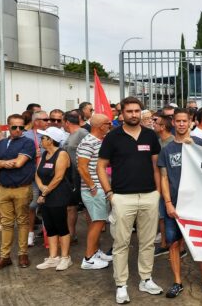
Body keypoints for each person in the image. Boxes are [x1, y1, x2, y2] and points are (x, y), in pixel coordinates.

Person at [97, 97, 164, 304]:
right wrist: (109, 193)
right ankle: (121, 284)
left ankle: (146, 279)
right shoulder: (113, 137)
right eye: (129, 111)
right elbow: (101, 166)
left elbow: (156, 167)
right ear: (122, 114)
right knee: (121, 243)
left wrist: (158, 194)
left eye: (137, 111)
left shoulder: (150, 136)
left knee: (147, 242)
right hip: (122, 197)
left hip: (149, 196)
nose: (134, 114)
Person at [158, 109, 202, 298]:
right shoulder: (167, 150)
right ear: (173, 123)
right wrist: (168, 203)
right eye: (178, 121)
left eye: (185, 121)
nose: (182, 124)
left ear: (191, 122)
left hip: (197, 204)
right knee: (174, 243)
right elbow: (164, 177)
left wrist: (195, 149)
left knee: (200, 243)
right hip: (175, 204)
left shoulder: (200, 143)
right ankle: (177, 282)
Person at [0, 114, 36, 271]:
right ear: (7, 126)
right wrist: (3, 163)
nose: (17, 130)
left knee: (22, 222)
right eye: (14, 127)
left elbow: (19, 163)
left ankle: (23, 254)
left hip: (22, 188)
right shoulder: (1, 143)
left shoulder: (28, 143)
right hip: (3, 188)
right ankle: (5, 256)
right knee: (6, 223)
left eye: (21, 127)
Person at [34, 127, 74, 271]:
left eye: (43, 138)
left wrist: (44, 192)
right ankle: (53, 257)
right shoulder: (45, 154)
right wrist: (42, 188)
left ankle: (65, 257)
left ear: (50, 140)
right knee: (49, 226)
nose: (41, 140)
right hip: (46, 195)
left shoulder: (62, 154)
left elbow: (58, 177)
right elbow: (37, 174)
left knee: (61, 226)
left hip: (58, 195)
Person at [77, 114, 113, 270]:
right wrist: (92, 186)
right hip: (94, 189)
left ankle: (95, 252)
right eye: (108, 123)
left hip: (98, 188)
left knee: (95, 221)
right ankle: (89, 258)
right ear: (100, 126)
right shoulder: (88, 142)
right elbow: (81, 167)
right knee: (98, 222)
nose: (110, 126)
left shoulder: (98, 141)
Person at [61, 110, 88, 245]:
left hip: (81, 175)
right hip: (70, 175)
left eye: (62, 122)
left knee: (86, 206)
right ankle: (71, 234)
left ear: (67, 122)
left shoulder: (82, 133)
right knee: (70, 206)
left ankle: (93, 235)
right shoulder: (70, 136)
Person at [24, 110, 49, 247]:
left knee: (48, 206)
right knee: (32, 205)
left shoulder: (50, 135)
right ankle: (30, 234)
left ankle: (48, 234)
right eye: (45, 120)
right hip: (33, 176)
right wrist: (33, 154)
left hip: (48, 176)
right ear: (36, 121)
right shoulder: (26, 136)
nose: (48, 122)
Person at [153, 114, 175, 257]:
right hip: (159, 184)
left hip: (170, 186)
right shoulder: (158, 142)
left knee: (172, 217)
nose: (153, 124)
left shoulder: (172, 143)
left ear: (163, 127)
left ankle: (177, 247)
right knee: (161, 216)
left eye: (156, 122)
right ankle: (164, 244)